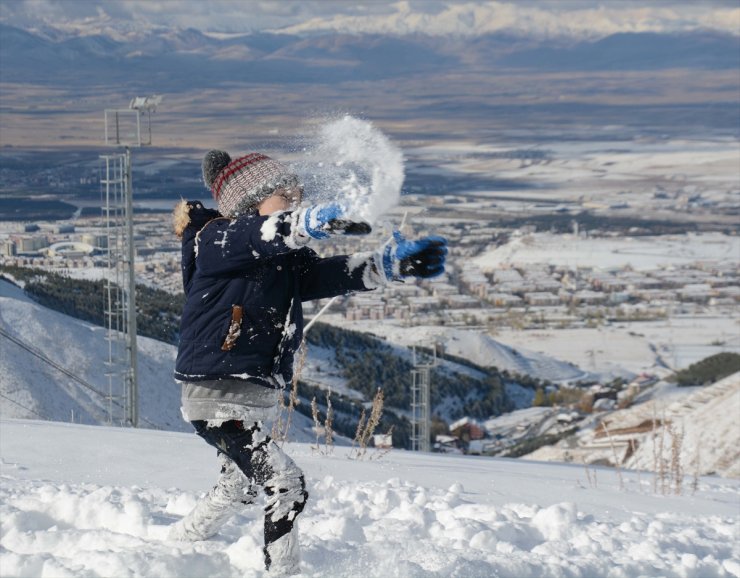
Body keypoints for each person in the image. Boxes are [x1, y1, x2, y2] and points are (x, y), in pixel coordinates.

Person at [169, 150, 447, 575]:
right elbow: (261, 235)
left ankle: (179, 545)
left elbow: (328, 276)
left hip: (251, 395)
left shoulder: (280, 260)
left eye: (299, 192)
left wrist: (389, 264)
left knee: (240, 484)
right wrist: (308, 221)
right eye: (286, 194)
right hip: (217, 395)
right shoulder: (218, 240)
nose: (295, 198)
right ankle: (283, 571)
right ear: (250, 203)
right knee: (286, 484)